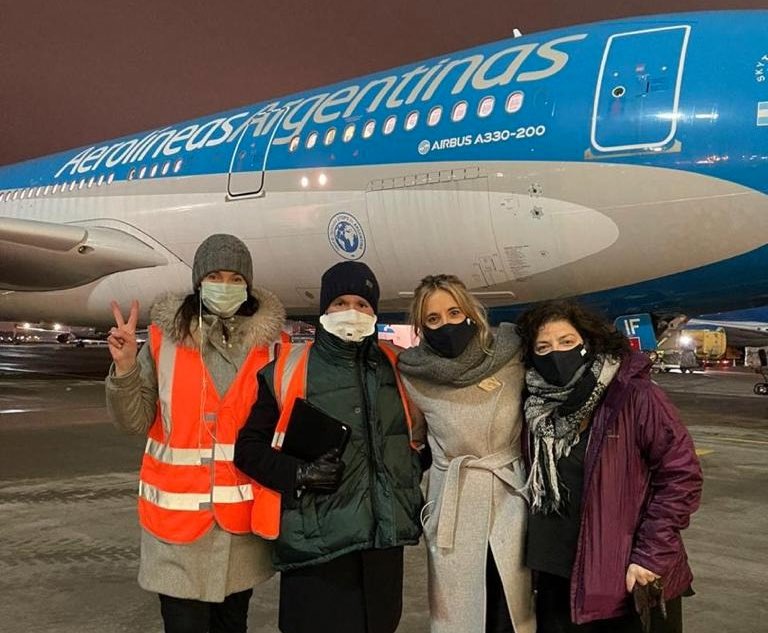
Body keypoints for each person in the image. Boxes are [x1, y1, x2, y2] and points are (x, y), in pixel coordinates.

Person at [105, 233, 287, 633]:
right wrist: (125, 368)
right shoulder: (164, 341)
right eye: (215, 276)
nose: (225, 285)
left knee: (232, 625)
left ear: (248, 286)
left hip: (240, 531)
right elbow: (133, 421)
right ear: (198, 282)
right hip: (177, 533)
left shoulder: (272, 348)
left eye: (236, 278)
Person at [233, 260, 425, 633]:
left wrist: (411, 470)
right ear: (324, 310)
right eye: (340, 303)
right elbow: (248, 450)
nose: (352, 311)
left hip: (382, 547)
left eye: (362, 304)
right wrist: (298, 474)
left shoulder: (395, 366)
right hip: (317, 552)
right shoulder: (287, 369)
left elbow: (415, 440)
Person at [515, 300, 703, 632]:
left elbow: (681, 476)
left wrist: (651, 555)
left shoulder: (634, 395)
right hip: (556, 576)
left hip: (626, 576)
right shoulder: (534, 407)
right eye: (543, 347)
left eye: (567, 341)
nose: (555, 353)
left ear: (589, 343)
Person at [396, 273, 535, 633]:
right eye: (433, 318)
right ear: (421, 327)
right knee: (458, 613)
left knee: (510, 608)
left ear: (471, 312)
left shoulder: (512, 355)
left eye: (454, 312)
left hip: (510, 499)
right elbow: (414, 440)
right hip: (452, 506)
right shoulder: (413, 373)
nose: (446, 324)